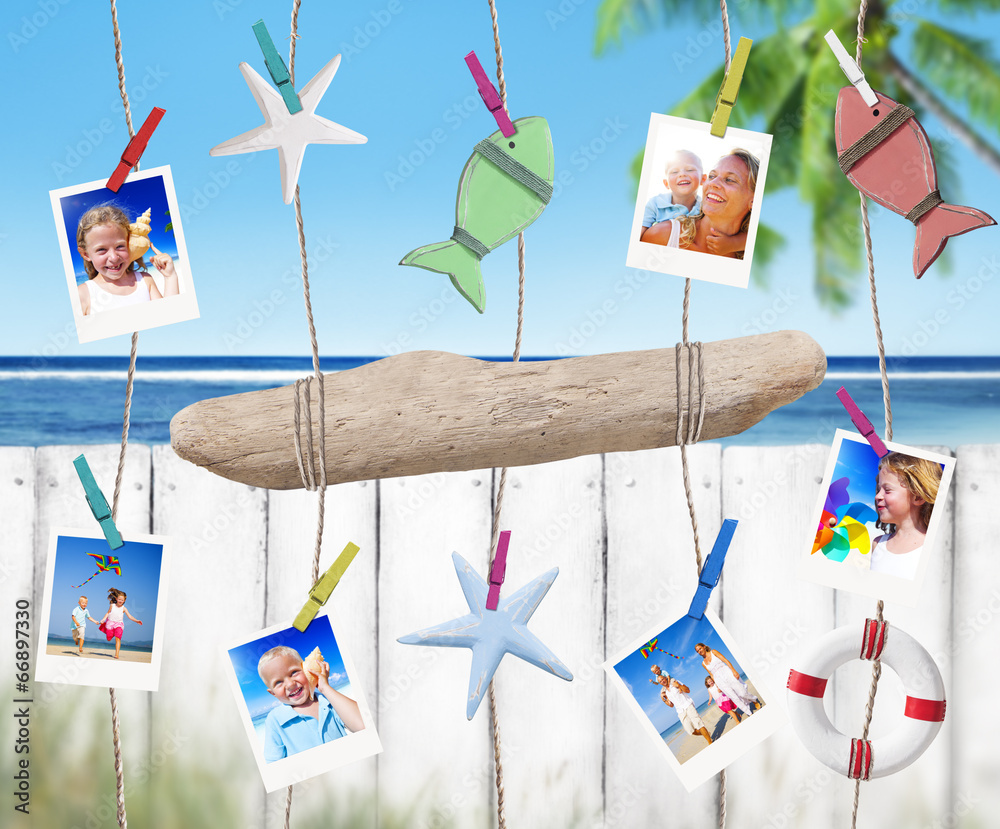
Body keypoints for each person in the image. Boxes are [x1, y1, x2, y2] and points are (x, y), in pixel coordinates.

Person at [639, 148, 758, 258]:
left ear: (754, 200)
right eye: (712, 176)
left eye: (730, 180)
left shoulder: (752, 258)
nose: (712, 183)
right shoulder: (662, 235)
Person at [257, 645, 365, 763]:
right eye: (278, 682)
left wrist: (325, 688)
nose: (290, 684)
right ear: (273, 693)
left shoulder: (328, 701)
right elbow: (274, 765)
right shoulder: (275, 720)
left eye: (293, 672)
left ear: (305, 669)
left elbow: (363, 725)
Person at [76, 204, 179, 315]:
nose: (114, 258)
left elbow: (170, 316)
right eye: (101, 249)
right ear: (86, 254)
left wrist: (170, 277)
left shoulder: (145, 280)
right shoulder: (82, 294)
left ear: (129, 244)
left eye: (120, 246)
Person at [869, 452, 942, 578]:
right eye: (878, 489)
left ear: (918, 497)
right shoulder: (877, 544)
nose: (877, 496)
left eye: (887, 490)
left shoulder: (934, 547)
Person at [695, 642, 759, 717]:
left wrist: (733, 670)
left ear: (704, 646)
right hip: (718, 680)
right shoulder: (703, 663)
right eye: (697, 651)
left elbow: (725, 660)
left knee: (741, 692)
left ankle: (753, 700)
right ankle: (749, 713)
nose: (699, 651)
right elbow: (711, 674)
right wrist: (717, 686)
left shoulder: (713, 652)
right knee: (734, 697)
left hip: (727, 673)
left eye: (700, 649)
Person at [658, 675, 712, 746]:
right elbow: (671, 705)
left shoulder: (675, 682)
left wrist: (678, 686)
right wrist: (663, 699)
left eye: (663, 679)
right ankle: (707, 734)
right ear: (660, 683)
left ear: (665, 678)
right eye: (660, 681)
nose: (662, 681)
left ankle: (710, 743)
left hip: (687, 705)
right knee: (690, 730)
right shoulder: (666, 693)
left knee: (698, 724)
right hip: (680, 711)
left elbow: (688, 690)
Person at [97, 588, 142, 659]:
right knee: (109, 638)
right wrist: (103, 619)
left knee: (118, 638)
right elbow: (108, 613)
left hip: (119, 624)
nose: (120, 601)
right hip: (110, 624)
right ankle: (111, 634)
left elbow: (129, 616)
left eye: (122, 600)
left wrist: (136, 621)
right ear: (116, 598)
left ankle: (116, 654)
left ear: (124, 601)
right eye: (119, 599)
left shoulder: (124, 608)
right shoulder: (112, 605)